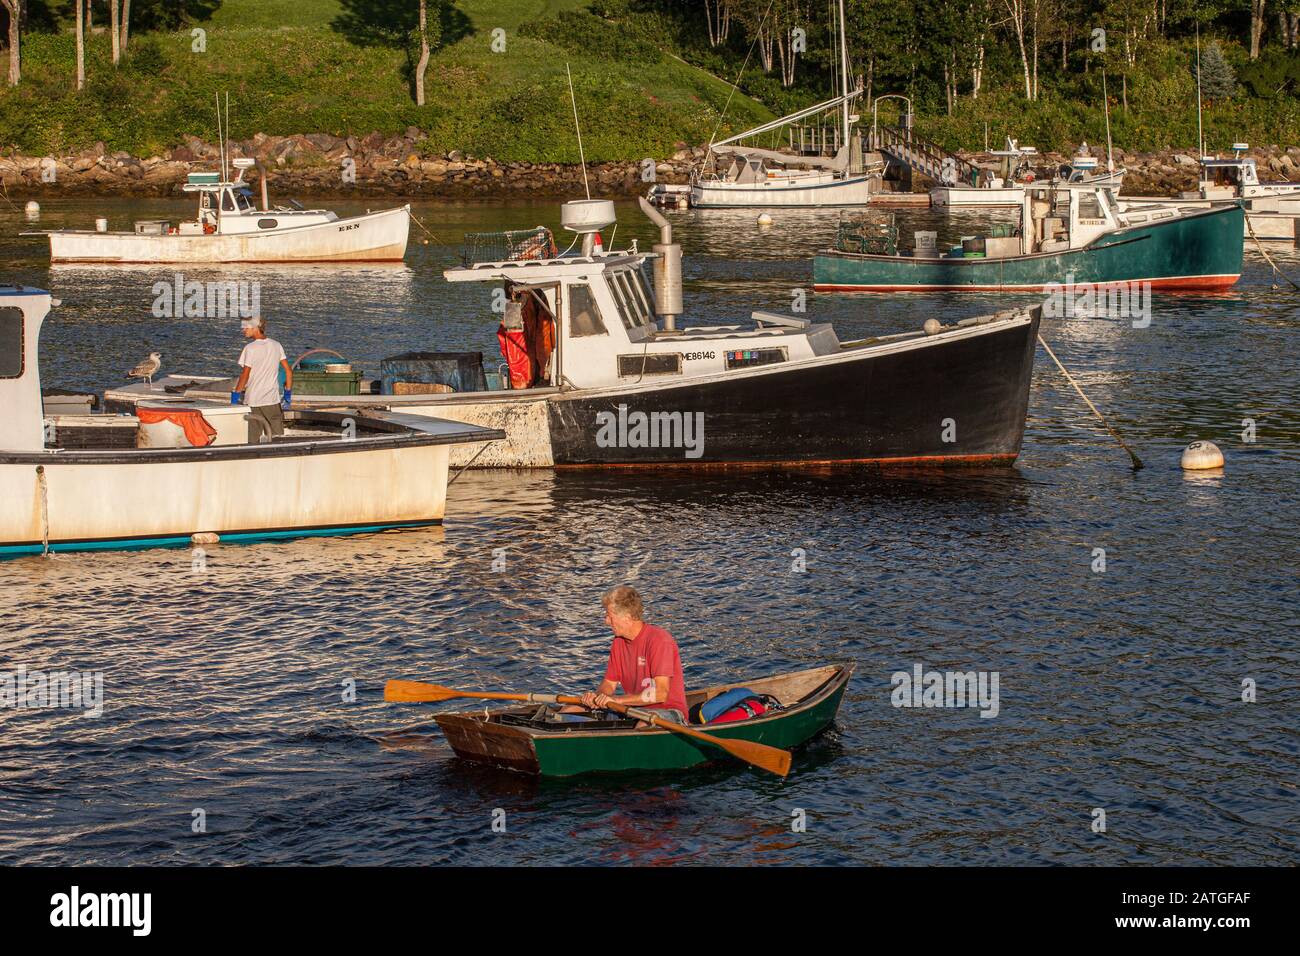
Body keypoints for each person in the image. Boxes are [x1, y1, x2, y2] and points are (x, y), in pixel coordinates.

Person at [571, 586, 689, 726]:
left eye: (610, 616)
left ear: (626, 618)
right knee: (571, 710)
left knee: (642, 724)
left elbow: (660, 693)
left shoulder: (659, 640)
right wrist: (598, 697)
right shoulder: (618, 642)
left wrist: (617, 701)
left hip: (667, 712)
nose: (606, 621)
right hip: (633, 710)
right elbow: (609, 683)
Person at [232, 317, 293, 443]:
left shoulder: (250, 348)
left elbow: (245, 375)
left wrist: (235, 396)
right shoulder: (276, 345)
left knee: (253, 439)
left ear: (255, 328)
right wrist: (287, 395)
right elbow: (288, 371)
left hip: (254, 400)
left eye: (245, 327)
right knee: (277, 437)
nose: (243, 330)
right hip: (272, 400)